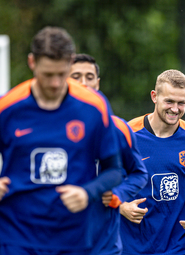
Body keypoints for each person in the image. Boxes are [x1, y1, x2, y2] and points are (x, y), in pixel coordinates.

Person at [0, 27, 124, 254]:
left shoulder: (94, 107)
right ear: (32, 63)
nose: (55, 83)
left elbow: (114, 170)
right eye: (48, 74)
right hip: (16, 234)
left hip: (73, 237)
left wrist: (88, 192)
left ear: (69, 63)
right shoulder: (7, 107)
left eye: (61, 73)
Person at [115, 69, 185, 255]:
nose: (175, 109)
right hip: (132, 245)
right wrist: (121, 206)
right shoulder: (127, 134)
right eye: (169, 101)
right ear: (154, 96)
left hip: (180, 245)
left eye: (181, 103)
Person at [70, 53, 148, 255]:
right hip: (62, 238)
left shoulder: (118, 128)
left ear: (97, 83)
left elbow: (139, 173)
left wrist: (117, 195)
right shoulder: (49, 126)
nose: (83, 83)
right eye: (76, 76)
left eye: (89, 77)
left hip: (104, 244)